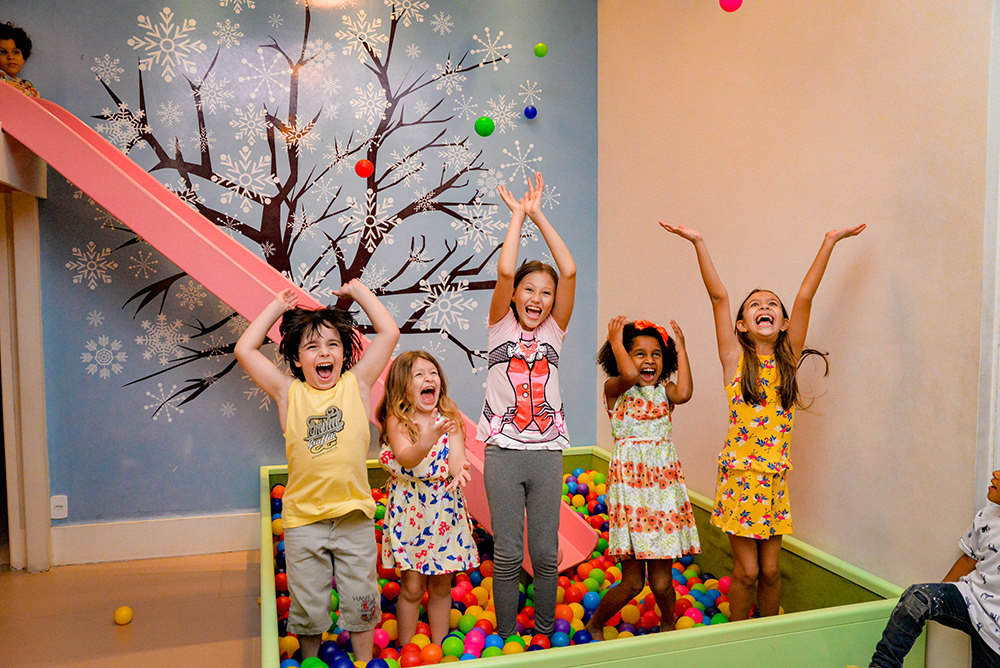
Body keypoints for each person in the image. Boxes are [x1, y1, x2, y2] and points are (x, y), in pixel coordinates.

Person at [662, 222, 865, 621]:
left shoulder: (788, 360)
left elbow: (805, 297)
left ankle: (767, 641)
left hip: (773, 480)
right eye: (755, 305)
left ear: (785, 324)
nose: (765, 308)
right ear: (742, 325)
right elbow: (719, 297)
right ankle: (737, 640)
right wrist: (699, 241)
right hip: (740, 477)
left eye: (772, 304)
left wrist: (828, 241)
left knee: (771, 573)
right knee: (749, 570)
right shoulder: (734, 361)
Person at [235, 283, 398, 662]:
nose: (323, 353)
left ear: (344, 352)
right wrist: (276, 307)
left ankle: (361, 659)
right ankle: (309, 659)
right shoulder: (288, 393)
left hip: (353, 516)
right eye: (312, 347)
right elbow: (245, 349)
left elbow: (389, 333)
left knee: (361, 599)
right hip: (304, 522)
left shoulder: (356, 385)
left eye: (332, 345)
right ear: (296, 358)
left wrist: (359, 293)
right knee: (308, 606)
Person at [479, 171, 576, 639]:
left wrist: (539, 214)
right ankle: (504, 635)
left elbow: (570, 270)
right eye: (529, 289)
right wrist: (517, 217)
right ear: (515, 296)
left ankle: (541, 634)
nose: (537, 298)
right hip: (501, 451)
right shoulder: (499, 326)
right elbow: (503, 270)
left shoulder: (554, 333)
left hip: (546, 454)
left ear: (554, 303)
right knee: (508, 554)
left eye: (546, 292)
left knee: (545, 554)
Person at [584, 316, 700, 640]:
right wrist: (616, 339)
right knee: (634, 583)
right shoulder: (615, 390)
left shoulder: (665, 392)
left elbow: (686, 392)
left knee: (662, 582)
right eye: (640, 353)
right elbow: (630, 375)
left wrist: (683, 348)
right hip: (631, 494)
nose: (649, 360)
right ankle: (593, 624)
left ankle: (668, 624)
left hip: (662, 494)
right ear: (621, 355)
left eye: (657, 354)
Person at [376, 351, 479, 646]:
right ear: (401, 385)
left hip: (445, 511)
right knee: (410, 586)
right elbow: (407, 458)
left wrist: (460, 469)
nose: (428, 378)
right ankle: (407, 648)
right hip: (411, 513)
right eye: (419, 375)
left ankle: (438, 647)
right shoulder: (399, 419)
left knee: (442, 585)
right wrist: (427, 438)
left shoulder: (448, 414)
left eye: (432, 372)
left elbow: (457, 455)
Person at [848, 471, 1000, 668]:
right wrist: (940, 598)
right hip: (971, 599)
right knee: (917, 598)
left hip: (994, 637)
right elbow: (968, 560)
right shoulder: (985, 516)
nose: (995, 473)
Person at [0, 22, 38, 97]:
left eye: (16, 52)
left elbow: (38, 106)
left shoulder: (27, 86)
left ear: (23, 58)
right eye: (3, 52)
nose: (11, 57)